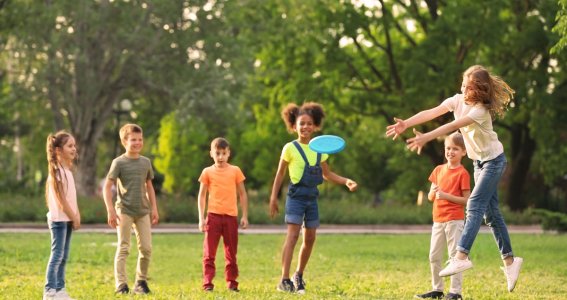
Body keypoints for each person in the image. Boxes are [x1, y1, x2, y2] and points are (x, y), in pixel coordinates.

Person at [386, 65, 523, 292]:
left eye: (469, 87)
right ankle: (510, 261)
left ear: (479, 91)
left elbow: (451, 126)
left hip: (494, 161)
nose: (463, 88)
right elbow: (432, 112)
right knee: (492, 215)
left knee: (475, 205)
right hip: (479, 163)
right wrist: (407, 124)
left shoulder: (479, 111)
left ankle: (461, 255)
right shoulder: (457, 100)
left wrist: (426, 137)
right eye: (463, 83)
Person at [269, 102, 358, 294]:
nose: (306, 127)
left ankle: (298, 275)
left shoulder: (321, 149)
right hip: (295, 197)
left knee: (309, 238)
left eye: (309, 123)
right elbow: (279, 174)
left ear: (315, 126)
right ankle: (284, 280)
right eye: (302, 123)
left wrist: (346, 181)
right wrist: (273, 198)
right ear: (294, 126)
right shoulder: (289, 148)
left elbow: (327, 174)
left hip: (312, 198)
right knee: (292, 236)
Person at [103, 123, 159, 295]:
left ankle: (140, 282)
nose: (137, 142)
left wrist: (154, 209)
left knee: (147, 249)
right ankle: (121, 284)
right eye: (133, 140)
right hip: (124, 211)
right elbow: (107, 187)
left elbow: (149, 187)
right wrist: (111, 210)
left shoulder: (145, 162)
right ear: (124, 141)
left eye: (140, 139)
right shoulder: (118, 162)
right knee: (124, 247)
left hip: (143, 211)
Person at [415, 132, 471, 300]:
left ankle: (455, 292)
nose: (450, 152)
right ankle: (437, 289)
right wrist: (433, 193)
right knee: (434, 255)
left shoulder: (463, 173)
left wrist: (446, 196)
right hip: (438, 220)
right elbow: (431, 197)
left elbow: (466, 200)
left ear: (463, 152)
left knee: (455, 258)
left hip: (455, 220)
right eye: (448, 148)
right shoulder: (438, 170)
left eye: (455, 149)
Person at [197, 137, 249, 292]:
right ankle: (207, 284)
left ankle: (232, 283)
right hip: (213, 217)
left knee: (231, 253)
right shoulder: (207, 172)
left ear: (228, 154)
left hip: (231, 218)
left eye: (223, 153)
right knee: (209, 253)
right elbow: (201, 195)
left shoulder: (235, 171)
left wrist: (245, 216)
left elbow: (243, 194)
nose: (220, 157)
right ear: (211, 154)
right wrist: (201, 218)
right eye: (217, 153)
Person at [43, 131, 81, 300]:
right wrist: (73, 216)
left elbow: (72, 198)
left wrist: (76, 214)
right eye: (70, 146)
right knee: (57, 255)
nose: (74, 148)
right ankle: (50, 291)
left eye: (74, 145)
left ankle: (60, 290)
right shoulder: (57, 173)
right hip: (59, 220)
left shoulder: (68, 172)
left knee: (63, 256)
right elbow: (61, 201)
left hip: (67, 219)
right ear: (58, 150)